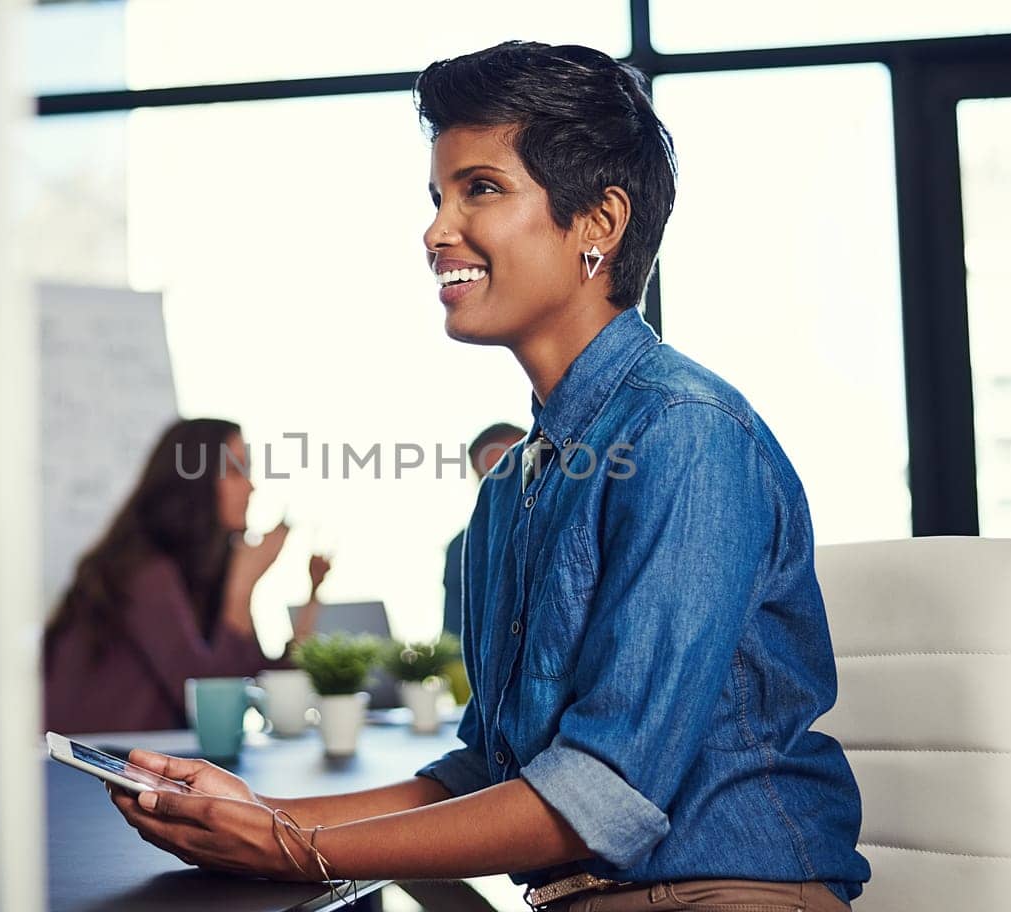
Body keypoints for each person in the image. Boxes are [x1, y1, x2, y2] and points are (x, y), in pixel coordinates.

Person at [104, 41, 872, 911]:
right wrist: (258, 816)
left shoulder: (686, 436)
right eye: (438, 196)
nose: (436, 231)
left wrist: (291, 847)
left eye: (482, 189)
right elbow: (485, 769)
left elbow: (596, 798)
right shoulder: (515, 488)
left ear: (599, 225)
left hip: (722, 895)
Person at [42, 417, 328, 734]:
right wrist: (241, 590)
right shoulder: (144, 572)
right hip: (98, 770)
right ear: (195, 483)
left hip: (152, 762)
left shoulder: (204, 573)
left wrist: (313, 593)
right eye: (236, 472)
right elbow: (210, 704)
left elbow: (257, 677)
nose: (252, 486)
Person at [443, 422, 526, 639]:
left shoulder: (572, 528)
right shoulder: (463, 548)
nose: (503, 489)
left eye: (513, 474)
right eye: (490, 480)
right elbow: (453, 636)